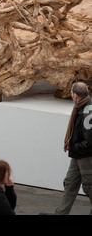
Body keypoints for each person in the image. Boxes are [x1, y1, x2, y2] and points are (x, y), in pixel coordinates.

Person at [41, 81, 92, 215]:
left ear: (75, 95)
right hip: (78, 154)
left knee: (89, 186)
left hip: (85, 156)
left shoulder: (87, 111)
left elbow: (90, 142)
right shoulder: (80, 107)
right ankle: (61, 213)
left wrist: (74, 147)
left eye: (71, 92)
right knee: (70, 183)